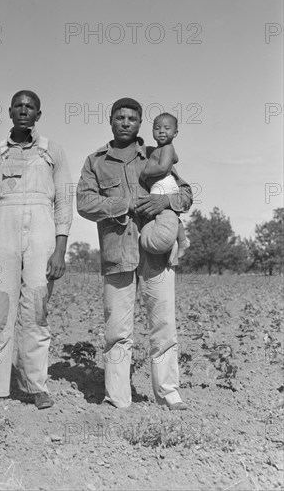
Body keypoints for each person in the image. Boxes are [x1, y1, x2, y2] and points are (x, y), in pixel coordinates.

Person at [77, 98, 192, 410]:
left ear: (140, 123)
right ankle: (117, 400)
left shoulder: (155, 155)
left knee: (164, 326)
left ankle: (169, 394)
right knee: (117, 331)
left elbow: (185, 193)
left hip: (156, 252)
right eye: (120, 117)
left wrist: (165, 204)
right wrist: (122, 205)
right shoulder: (96, 161)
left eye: (132, 118)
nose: (125, 122)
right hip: (118, 252)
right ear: (110, 120)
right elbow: (84, 203)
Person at [0, 90, 72, 411]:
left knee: (36, 310)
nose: (24, 111)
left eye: (30, 107)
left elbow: (64, 204)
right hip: (2, 232)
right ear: (10, 112)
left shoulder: (52, 152)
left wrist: (60, 250)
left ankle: (36, 386)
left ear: (38, 115)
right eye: (19, 106)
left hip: (42, 233)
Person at [139, 112, 190, 260]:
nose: (161, 131)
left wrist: (145, 173)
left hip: (163, 185)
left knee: (156, 211)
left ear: (175, 133)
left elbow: (162, 168)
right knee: (170, 215)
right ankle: (181, 241)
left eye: (166, 128)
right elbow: (176, 159)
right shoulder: (163, 149)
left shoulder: (167, 148)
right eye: (157, 128)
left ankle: (175, 245)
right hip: (162, 184)